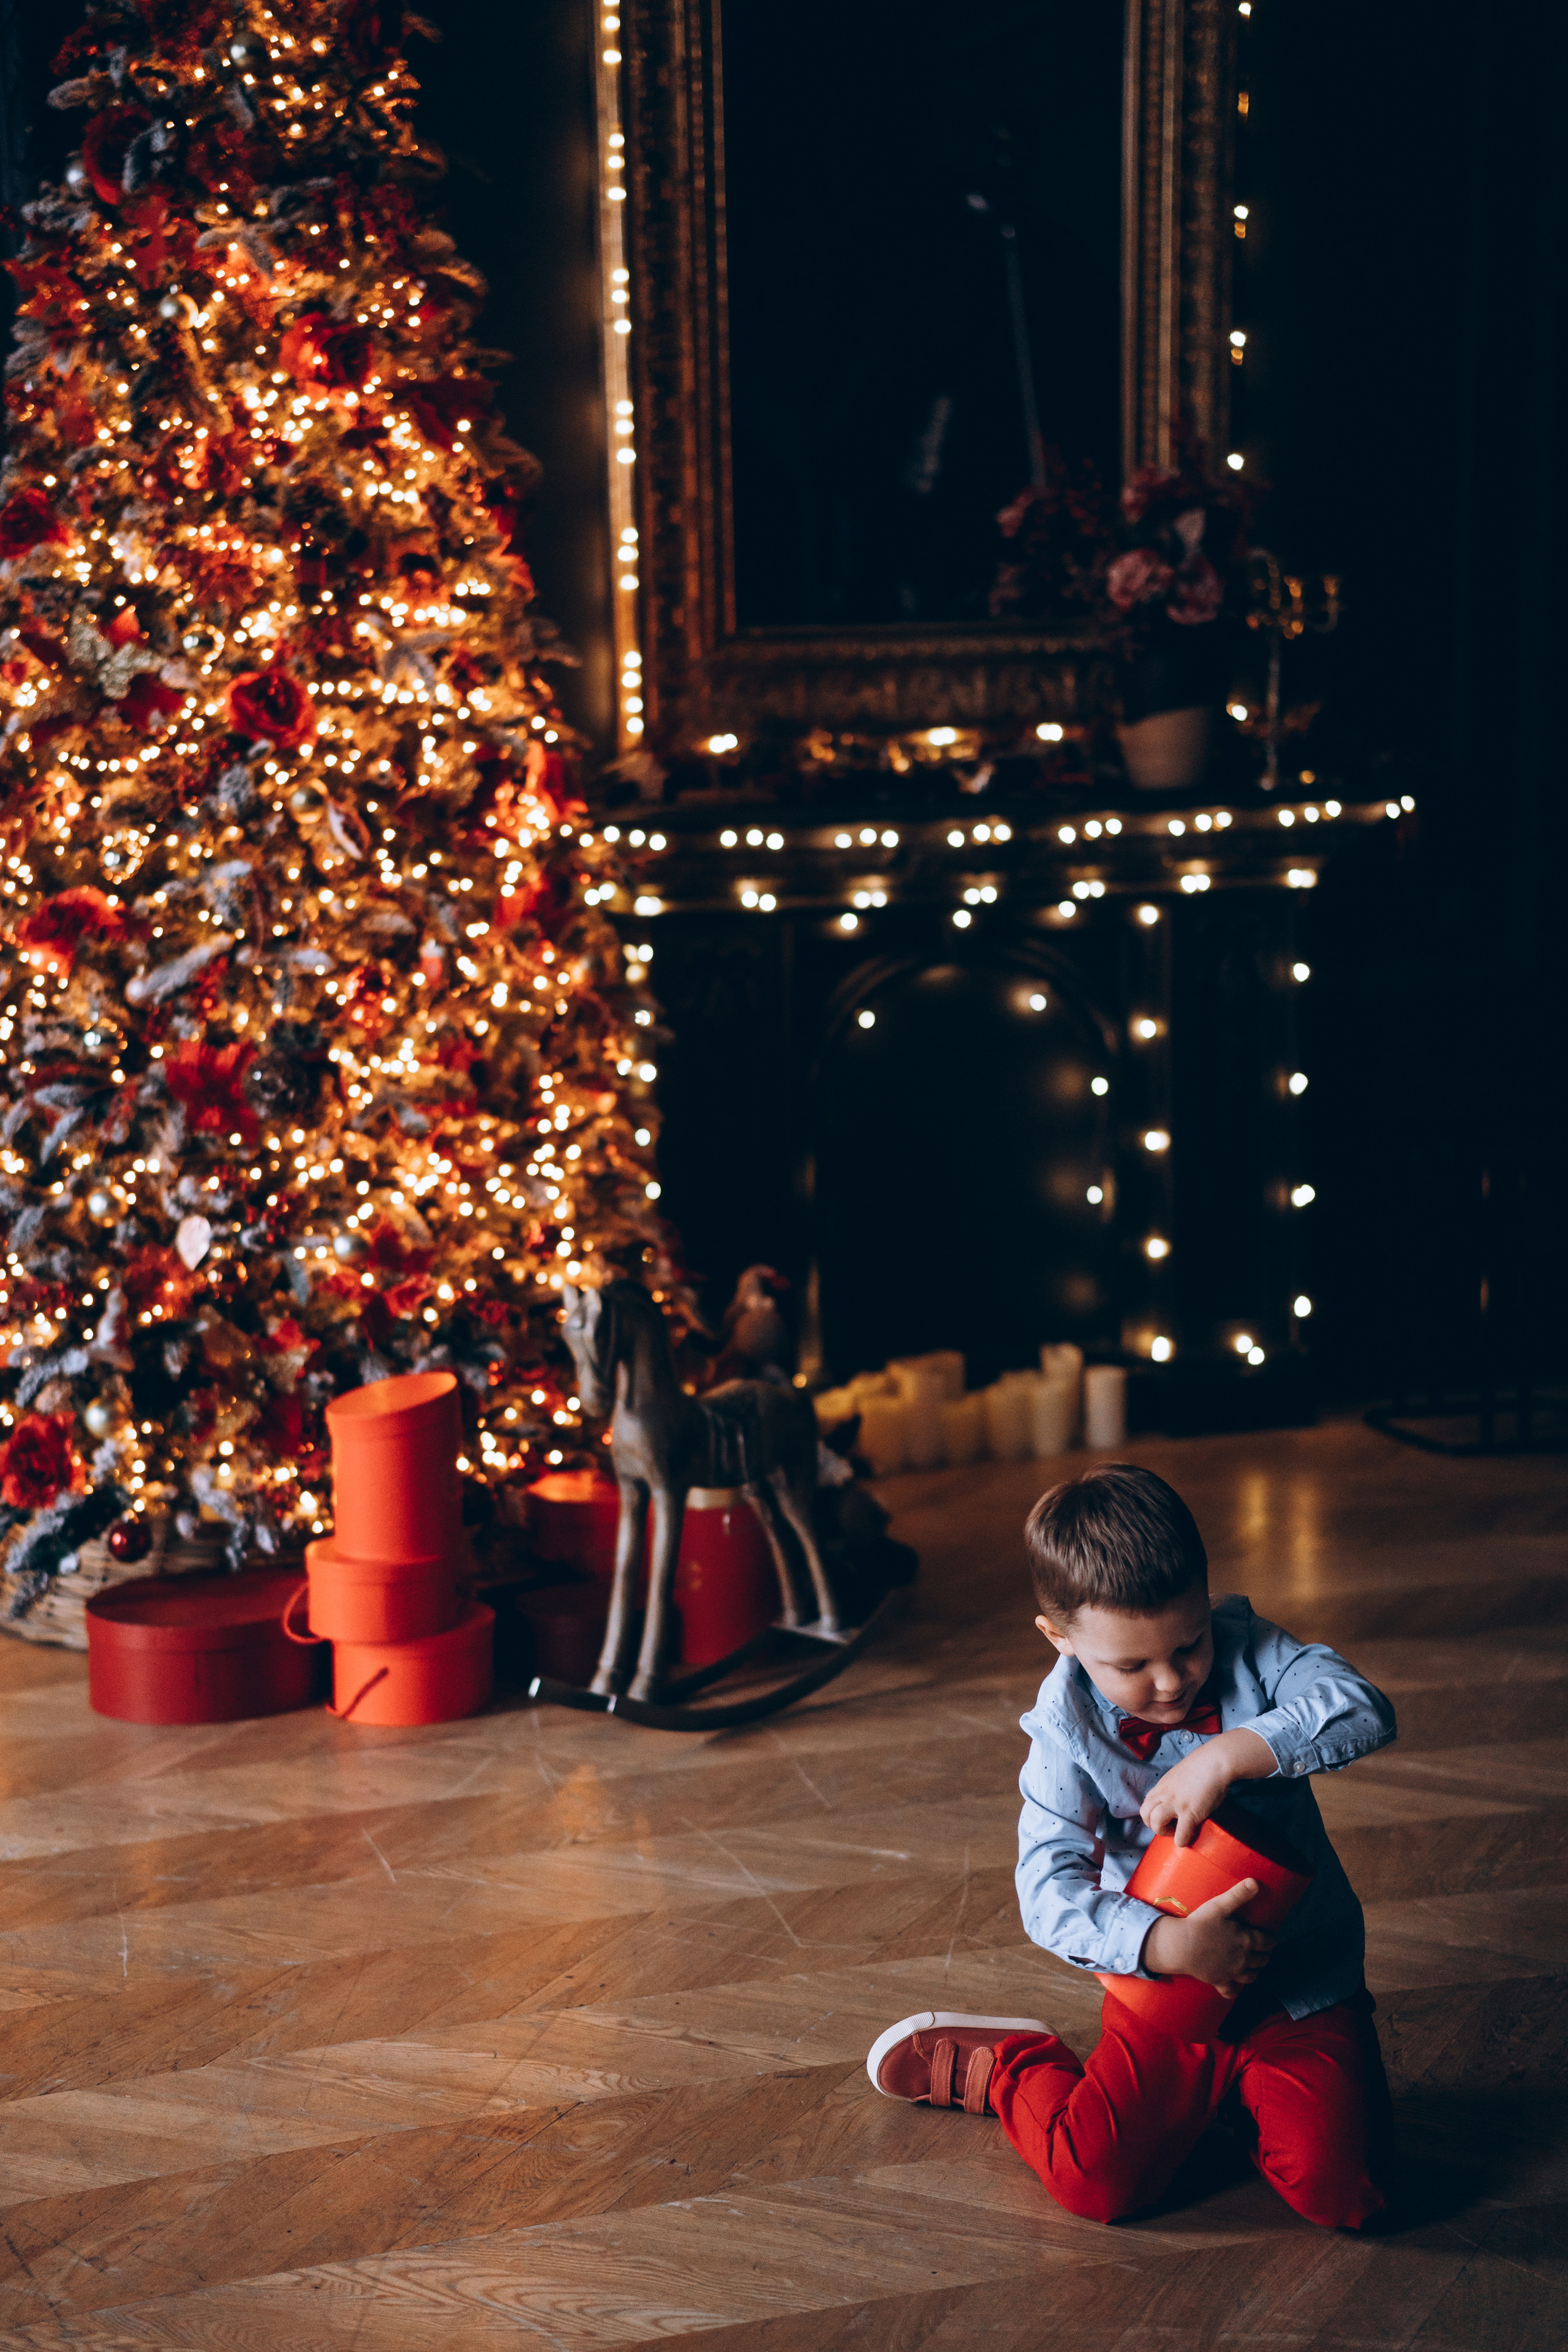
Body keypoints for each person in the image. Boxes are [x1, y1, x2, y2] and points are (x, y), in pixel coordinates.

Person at [865, 1462, 1398, 2227]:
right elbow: (1046, 1891)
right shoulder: (1062, 1735)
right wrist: (1167, 1945)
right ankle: (1012, 2068)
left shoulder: (1254, 1649)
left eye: (1189, 1644)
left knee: (1353, 2197)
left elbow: (1363, 1709)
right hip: (1168, 1992)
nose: (1172, 1681)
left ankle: (1241, 2103)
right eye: (1132, 1665)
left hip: (1299, 1984)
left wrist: (1229, 1752)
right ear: (1059, 1638)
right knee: (1097, 2187)